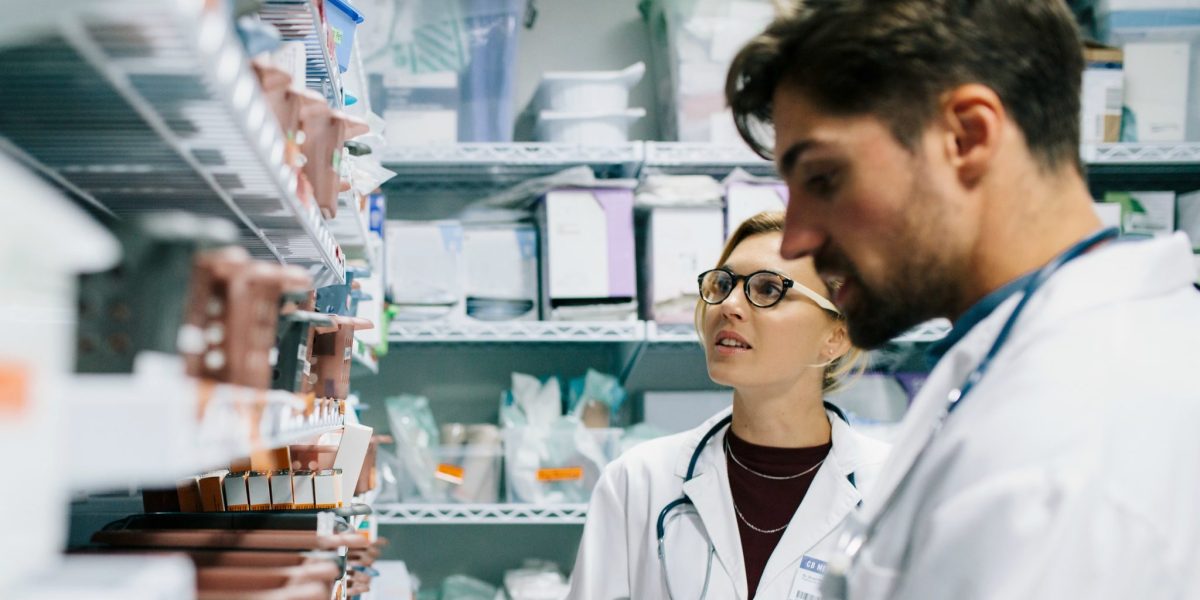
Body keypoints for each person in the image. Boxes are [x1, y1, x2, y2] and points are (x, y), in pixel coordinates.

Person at [725, 1, 1200, 599]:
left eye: (822, 178)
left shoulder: (1067, 451)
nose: (796, 239)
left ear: (966, 136)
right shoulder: (1024, 354)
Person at [567, 212, 890, 600]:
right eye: (722, 285)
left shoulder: (893, 490)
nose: (729, 305)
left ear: (835, 337)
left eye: (769, 289)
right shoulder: (638, 482)